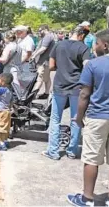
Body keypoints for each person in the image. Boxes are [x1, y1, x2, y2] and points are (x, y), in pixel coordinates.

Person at [67, 28, 109, 207]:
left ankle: (87, 199)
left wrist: (78, 117)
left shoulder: (93, 65)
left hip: (98, 117)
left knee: (91, 159)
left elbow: (84, 94)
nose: (95, 46)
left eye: (97, 43)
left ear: (105, 45)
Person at [42, 25, 90, 161]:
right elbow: (87, 66)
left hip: (59, 86)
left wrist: (61, 67)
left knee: (55, 119)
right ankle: (72, 151)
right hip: (76, 88)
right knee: (76, 119)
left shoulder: (59, 45)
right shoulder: (83, 48)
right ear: (81, 36)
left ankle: (53, 151)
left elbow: (51, 66)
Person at [30, 25, 55, 99]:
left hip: (44, 62)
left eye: (40, 30)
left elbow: (43, 48)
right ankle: (46, 93)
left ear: (45, 29)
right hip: (45, 61)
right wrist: (34, 54)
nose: (39, 32)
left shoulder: (48, 37)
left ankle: (32, 95)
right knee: (46, 78)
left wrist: (34, 56)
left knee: (39, 78)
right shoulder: (46, 37)